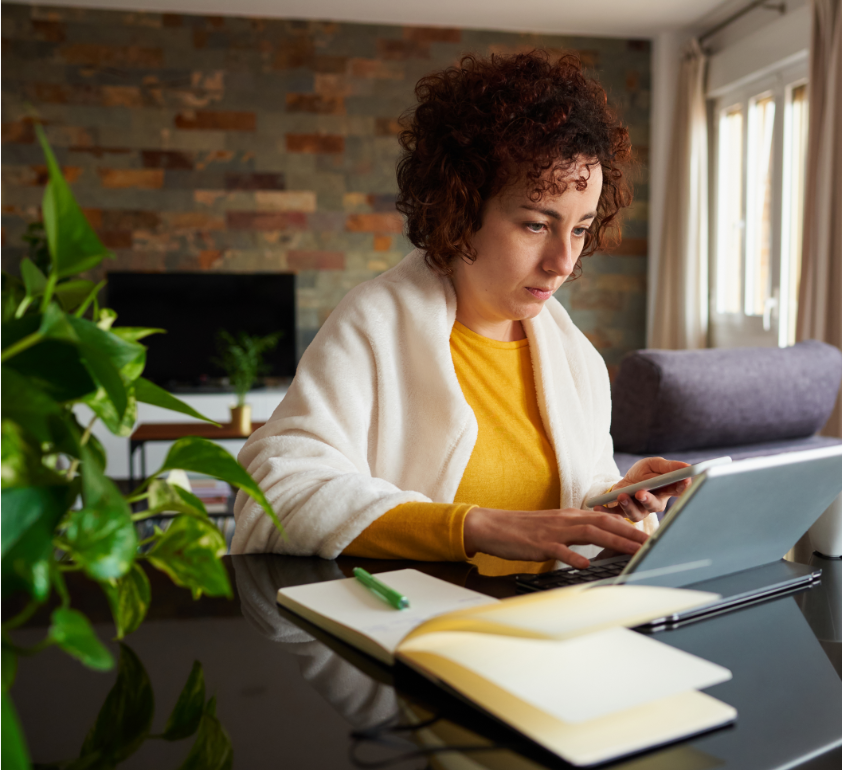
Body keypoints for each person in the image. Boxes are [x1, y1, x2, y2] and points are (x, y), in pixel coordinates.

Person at [231, 52, 690, 575]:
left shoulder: (574, 357)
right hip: (418, 637)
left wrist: (613, 504)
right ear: (461, 208)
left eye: (580, 229)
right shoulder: (374, 326)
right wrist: (474, 527)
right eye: (537, 225)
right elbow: (276, 494)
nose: (564, 261)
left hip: (544, 637)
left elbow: (570, 505)